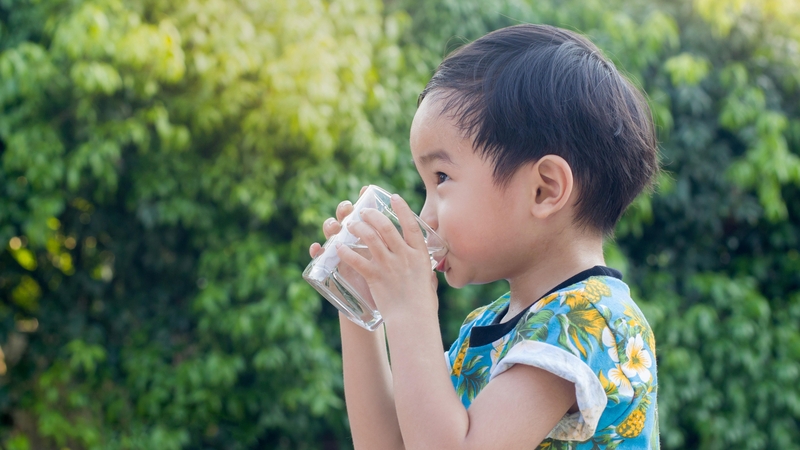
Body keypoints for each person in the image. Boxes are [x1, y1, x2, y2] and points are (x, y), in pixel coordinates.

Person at [309, 23, 660, 449]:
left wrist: (411, 311)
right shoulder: (486, 326)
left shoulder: (588, 321)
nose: (425, 217)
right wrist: (361, 305)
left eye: (442, 178)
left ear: (544, 189)